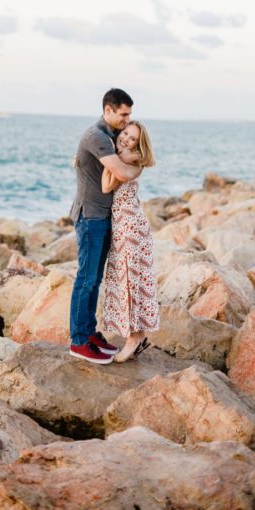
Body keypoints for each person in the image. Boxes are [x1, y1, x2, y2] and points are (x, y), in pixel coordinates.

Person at [67, 88, 142, 364]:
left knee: (95, 280)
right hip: (90, 216)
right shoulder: (96, 136)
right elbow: (122, 172)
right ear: (108, 110)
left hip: (104, 215)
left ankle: (89, 333)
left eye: (129, 114)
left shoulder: (112, 136)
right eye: (123, 113)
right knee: (86, 279)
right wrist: (139, 167)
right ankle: (78, 341)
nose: (127, 119)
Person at [100, 120, 160, 362]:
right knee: (130, 280)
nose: (126, 139)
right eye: (125, 133)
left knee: (130, 281)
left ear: (139, 144)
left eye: (132, 138)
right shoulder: (123, 155)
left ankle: (134, 339)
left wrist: (110, 155)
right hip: (126, 225)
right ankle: (137, 335)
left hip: (130, 227)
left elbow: (106, 186)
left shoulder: (130, 157)